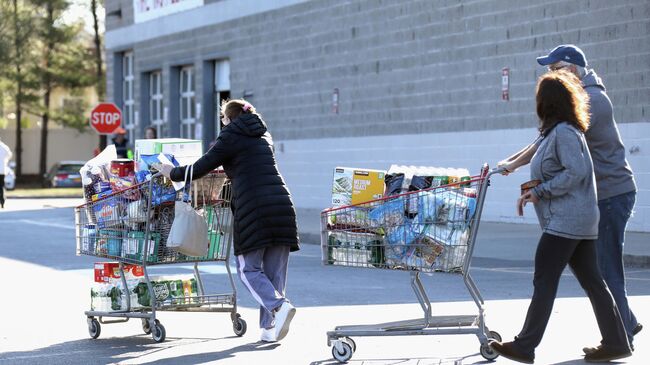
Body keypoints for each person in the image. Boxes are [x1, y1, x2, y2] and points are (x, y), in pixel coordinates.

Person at [498, 44, 642, 350]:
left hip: (609, 195)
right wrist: (511, 163)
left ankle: (623, 332)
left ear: (572, 71)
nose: (550, 75)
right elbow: (544, 140)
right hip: (588, 203)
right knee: (594, 276)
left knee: (605, 271)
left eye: (554, 69)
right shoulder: (568, 116)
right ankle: (620, 335)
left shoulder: (590, 103)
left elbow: (561, 154)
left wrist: (533, 185)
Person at [159, 99, 300, 343]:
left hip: (254, 207)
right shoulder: (264, 135)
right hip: (282, 204)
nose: (222, 123)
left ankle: (278, 307)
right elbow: (247, 170)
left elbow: (200, 168)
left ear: (229, 118)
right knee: (274, 272)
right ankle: (269, 328)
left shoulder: (231, 135)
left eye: (223, 119)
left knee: (248, 270)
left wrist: (170, 172)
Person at [0, 137, 12, 209]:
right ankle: (2, 201)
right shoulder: (4, 146)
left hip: (2, 170)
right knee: (1, 186)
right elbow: (9, 155)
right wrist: (5, 160)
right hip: (2, 170)